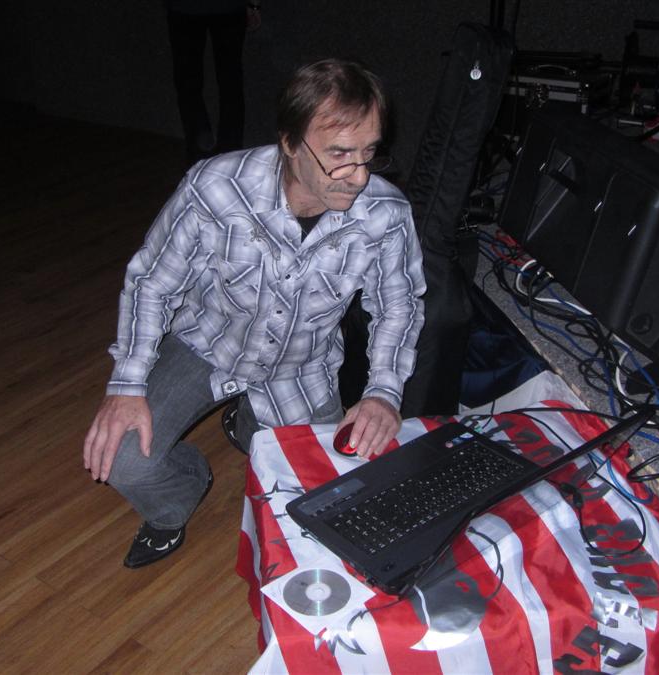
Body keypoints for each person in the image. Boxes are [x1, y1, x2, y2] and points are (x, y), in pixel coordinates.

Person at [83, 59, 426, 569]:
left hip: (299, 367)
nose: (358, 176)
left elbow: (398, 305)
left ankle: (248, 427)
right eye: (339, 155)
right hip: (207, 344)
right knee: (124, 460)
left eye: (368, 153)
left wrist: (382, 392)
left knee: (333, 500)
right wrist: (126, 386)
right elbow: (151, 283)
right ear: (289, 142)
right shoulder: (215, 187)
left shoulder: (387, 214)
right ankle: (179, 499)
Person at [166, 0, 262, 165]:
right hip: (226, 8)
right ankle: (229, 156)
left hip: (186, 8)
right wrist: (254, 4)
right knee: (230, 82)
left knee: (189, 83)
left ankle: (199, 155)